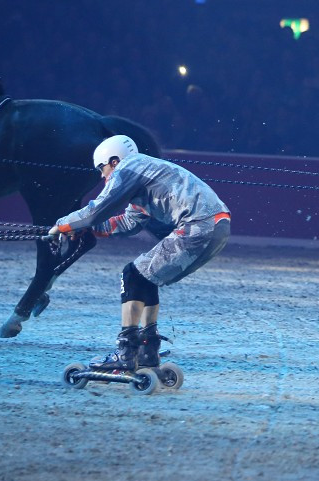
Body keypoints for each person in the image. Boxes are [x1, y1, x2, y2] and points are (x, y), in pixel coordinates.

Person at [48, 135, 231, 371]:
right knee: (146, 277)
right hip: (217, 227)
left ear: (114, 161)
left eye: (101, 169)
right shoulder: (146, 175)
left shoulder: (130, 166)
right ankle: (147, 349)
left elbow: (98, 209)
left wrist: (62, 224)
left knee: (131, 275)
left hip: (199, 226)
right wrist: (86, 228)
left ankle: (126, 352)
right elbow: (129, 223)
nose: (102, 177)